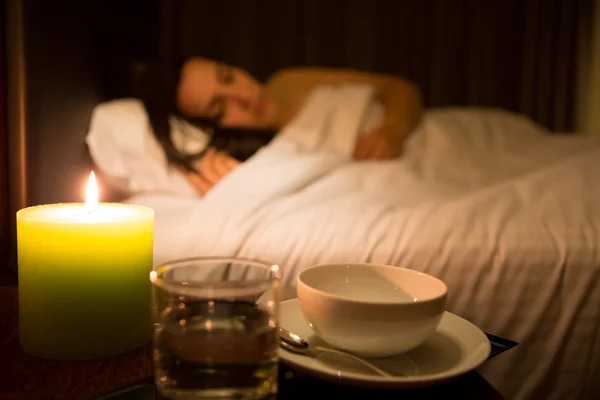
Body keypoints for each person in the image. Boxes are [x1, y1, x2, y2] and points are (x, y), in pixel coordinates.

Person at [133, 57, 423, 195]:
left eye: (228, 77)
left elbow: (397, 87)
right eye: (221, 108)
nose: (243, 97)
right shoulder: (262, 161)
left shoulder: (287, 82)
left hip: (424, 137)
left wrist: (392, 130)